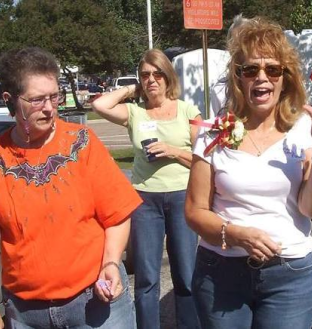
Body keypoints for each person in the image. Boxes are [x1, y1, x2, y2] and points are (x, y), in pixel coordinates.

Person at [185, 17, 312, 329]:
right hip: (221, 273)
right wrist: (233, 234)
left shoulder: (303, 130)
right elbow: (194, 211)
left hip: (289, 277)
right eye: (251, 69)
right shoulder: (215, 134)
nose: (262, 77)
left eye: (272, 69)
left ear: (285, 78)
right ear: (239, 78)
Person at [0, 47, 141, 328]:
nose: (49, 107)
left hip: (96, 305)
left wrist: (110, 263)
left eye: (54, 96)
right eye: (36, 99)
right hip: (25, 314)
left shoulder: (82, 143)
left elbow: (117, 215)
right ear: (9, 100)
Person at [92, 49, 202, 329]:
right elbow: (100, 105)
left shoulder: (187, 111)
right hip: (144, 200)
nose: (152, 80)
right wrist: (132, 88)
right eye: (146, 75)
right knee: (146, 279)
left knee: (186, 275)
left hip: (181, 197)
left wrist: (173, 151)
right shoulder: (135, 112)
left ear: (168, 77)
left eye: (157, 74)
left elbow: (202, 161)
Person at [210, 14, 251, 118]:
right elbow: (217, 127)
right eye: (236, 44)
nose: (242, 49)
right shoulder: (220, 89)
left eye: (247, 42)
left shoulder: (271, 82)